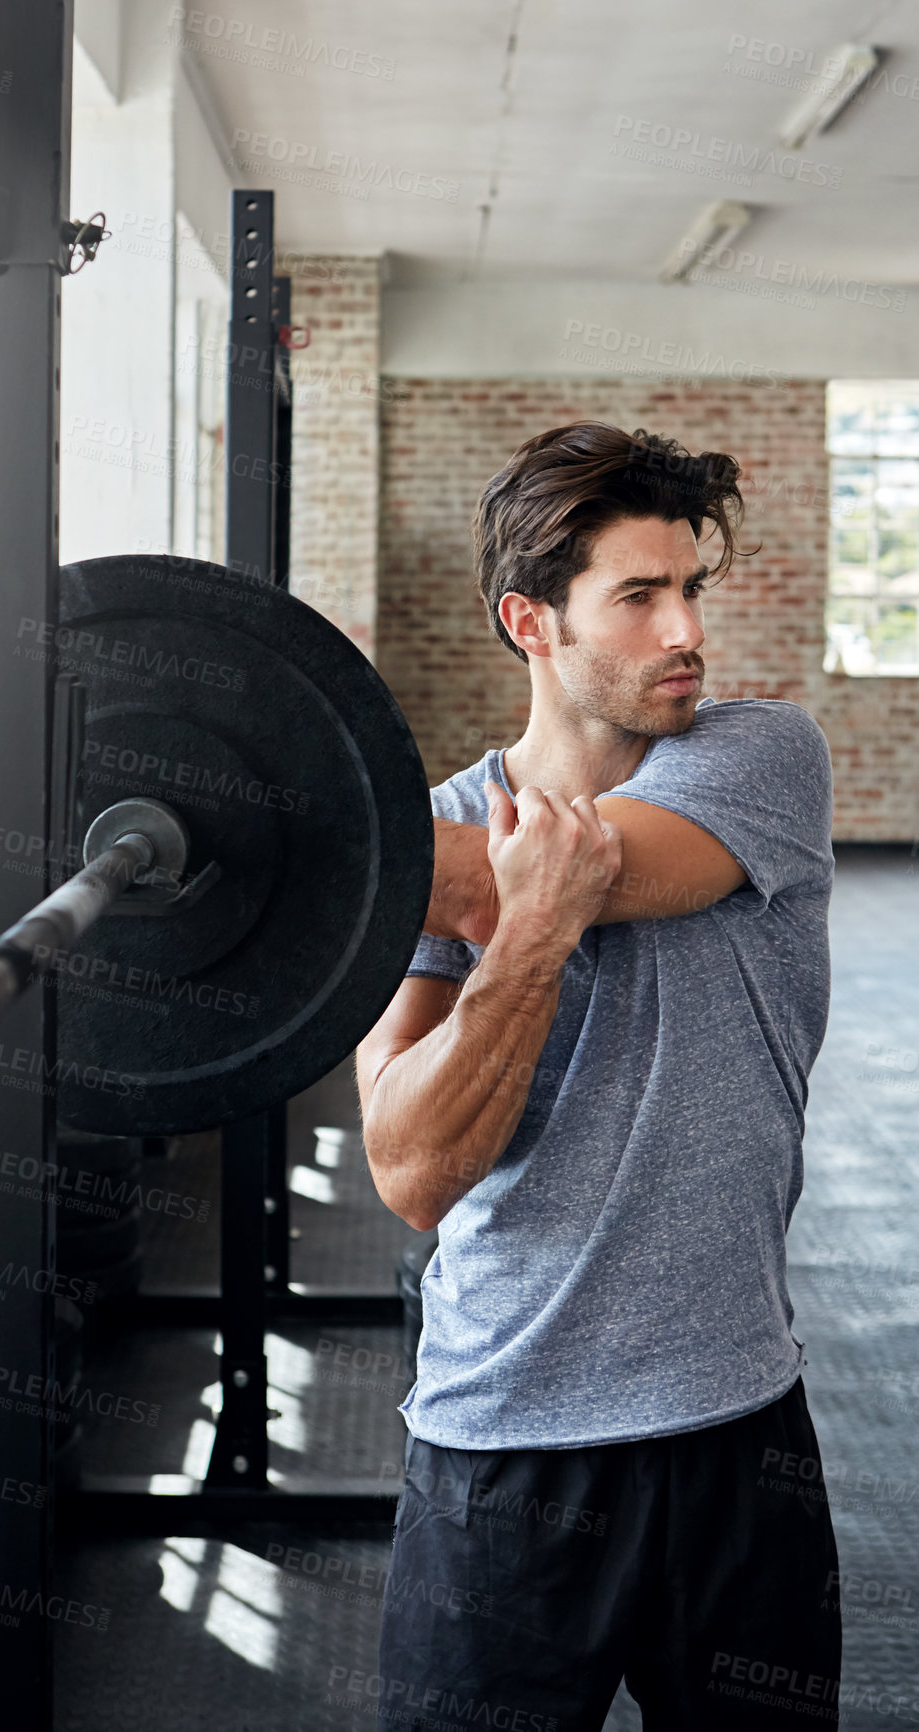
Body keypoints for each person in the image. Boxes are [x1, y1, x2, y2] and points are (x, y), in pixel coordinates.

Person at [356, 422, 841, 1731]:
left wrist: (300, 839)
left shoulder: (758, 761)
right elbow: (408, 1171)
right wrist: (520, 933)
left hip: (734, 1436)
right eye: (637, 596)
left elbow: (543, 871)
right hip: (495, 1447)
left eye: (689, 589)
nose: (683, 629)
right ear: (531, 621)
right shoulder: (435, 832)